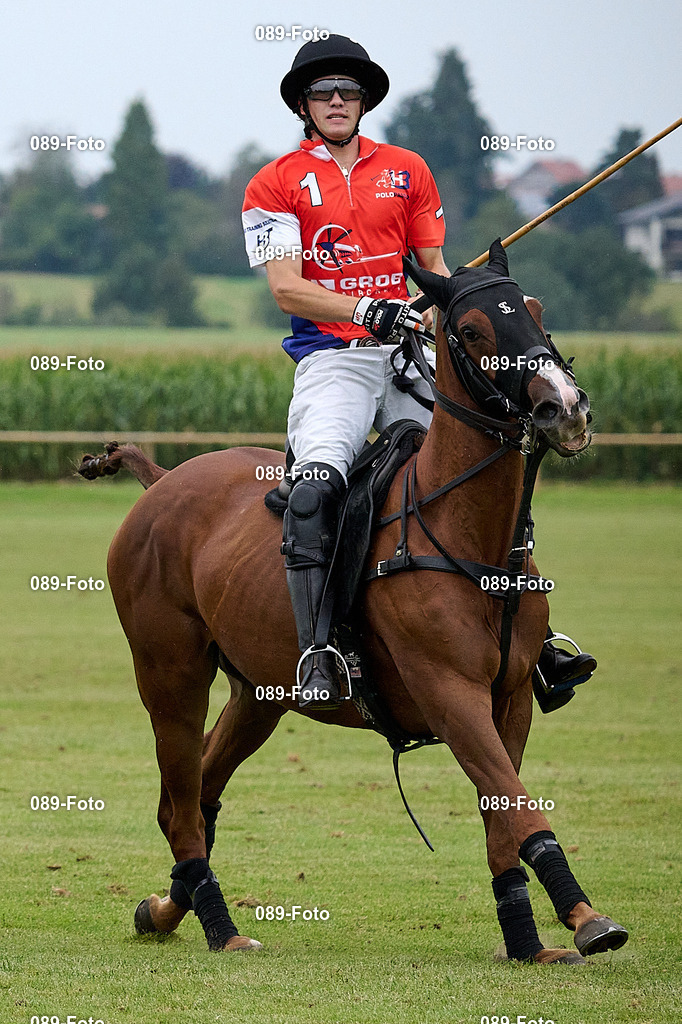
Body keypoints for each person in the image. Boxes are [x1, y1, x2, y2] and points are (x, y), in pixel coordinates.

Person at [242, 34, 595, 713]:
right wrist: (364, 309)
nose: (337, 100)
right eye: (322, 92)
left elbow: (431, 267)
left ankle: (532, 635)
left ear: (364, 100)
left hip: (407, 352)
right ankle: (318, 649)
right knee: (315, 491)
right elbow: (286, 287)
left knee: (489, 459)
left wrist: (442, 302)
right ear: (303, 105)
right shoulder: (274, 183)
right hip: (334, 360)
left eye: (348, 90)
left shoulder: (407, 170)